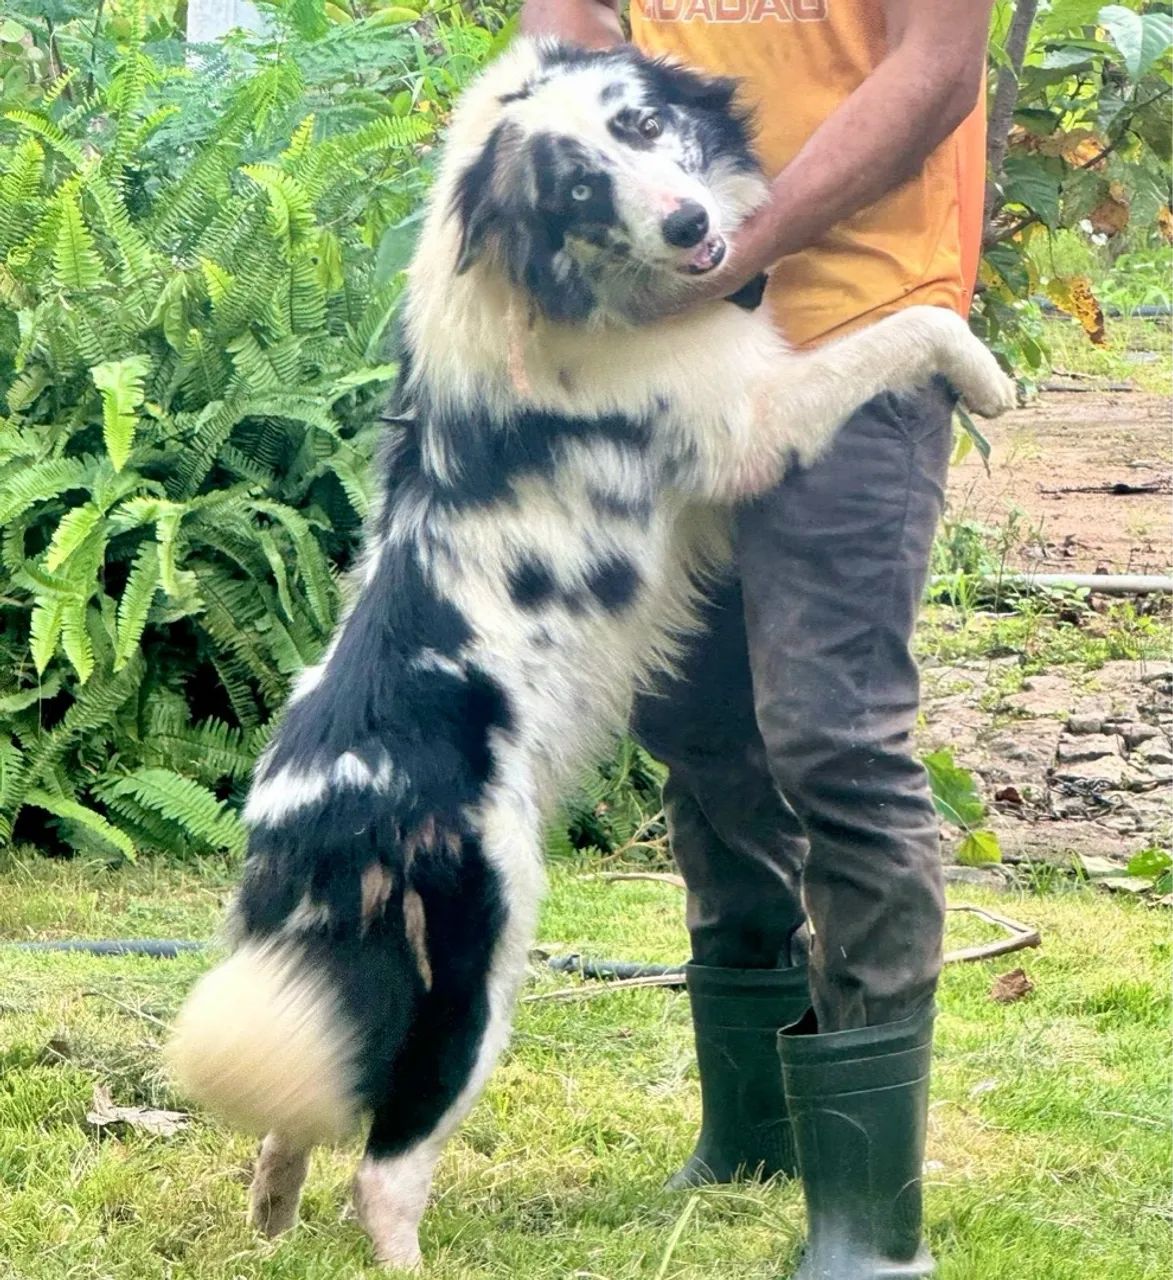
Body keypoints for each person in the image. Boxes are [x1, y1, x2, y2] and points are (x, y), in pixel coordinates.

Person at [518, 3, 998, 1277]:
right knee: (697, 720)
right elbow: (567, 41)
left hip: (858, 322)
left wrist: (744, 243)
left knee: (834, 736)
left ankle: (867, 1220)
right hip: (667, 335)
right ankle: (753, 1130)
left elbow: (939, 68)